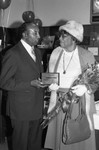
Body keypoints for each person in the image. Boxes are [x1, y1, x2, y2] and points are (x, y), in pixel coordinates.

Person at [44, 20, 97, 150]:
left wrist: (85, 87)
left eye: (64, 36)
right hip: (58, 102)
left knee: (76, 135)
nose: (59, 38)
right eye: (60, 35)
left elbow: (96, 78)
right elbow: (48, 75)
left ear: (74, 39)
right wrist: (49, 85)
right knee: (59, 135)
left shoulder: (86, 55)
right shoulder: (55, 53)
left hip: (77, 102)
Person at [0, 22, 45, 150]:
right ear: (24, 35)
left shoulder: (37, 51)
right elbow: (4, 82)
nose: (39, 36)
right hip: (21, 109)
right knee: (21, 143)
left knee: (35, 142)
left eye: (38, 32)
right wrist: (29, 84)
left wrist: (46, 82)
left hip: (36, 106)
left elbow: (38, 75)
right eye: (35, 33)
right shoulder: (13, 54)